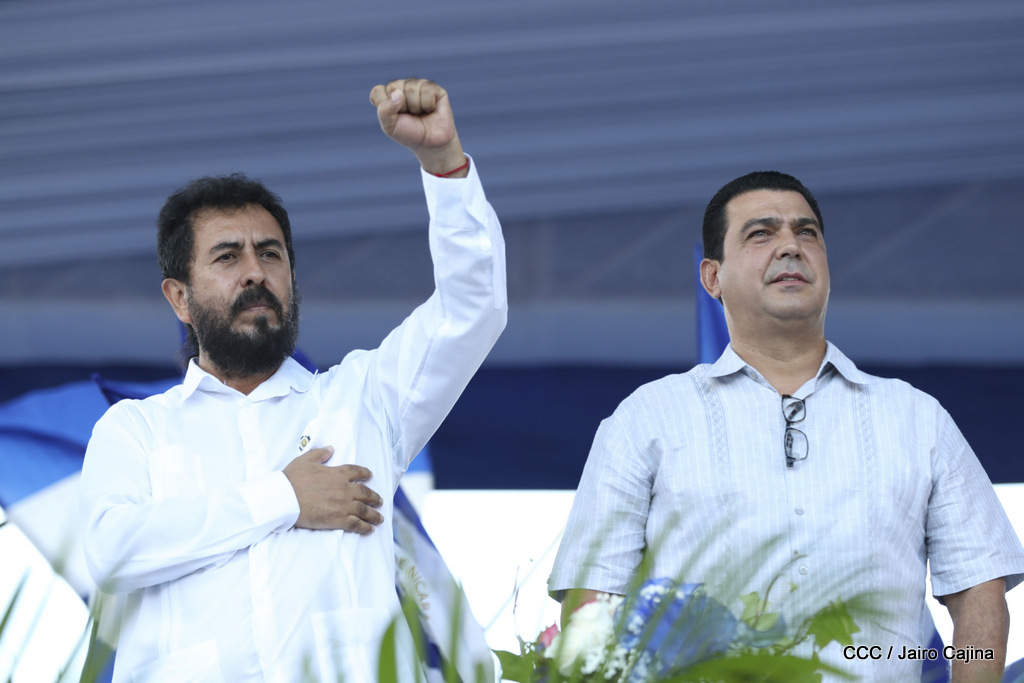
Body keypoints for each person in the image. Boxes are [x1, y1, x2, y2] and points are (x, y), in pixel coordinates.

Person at [80, 79, 507, 683]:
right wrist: (284, 498)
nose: (255, 272)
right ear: (179, 298)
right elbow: (112, 551)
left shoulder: (361, 400)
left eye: (271, 253)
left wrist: (443, 164)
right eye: (227, 256)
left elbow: (472, 309)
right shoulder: (136, 429)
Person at [548, 171, 1024, 682]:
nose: (791, 247)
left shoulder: (917, 417)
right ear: (712, 277)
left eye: (807, 232)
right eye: (761, 233)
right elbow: (592, 598)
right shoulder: (647, 417)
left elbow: (979, 587)